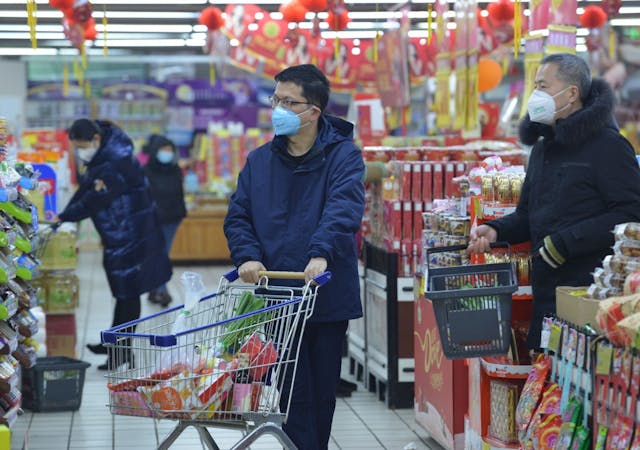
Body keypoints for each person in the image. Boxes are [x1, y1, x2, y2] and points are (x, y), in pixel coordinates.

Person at [223, 64, 365, 449]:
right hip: (278, 295)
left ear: (313, 111)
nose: (278, 108)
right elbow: (239, 215)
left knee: (321, 392)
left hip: (325, 291)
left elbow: (342, 209)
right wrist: (247, 256)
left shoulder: (344, 157)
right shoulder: (259, 161)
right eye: (276, 99)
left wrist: (321, 254)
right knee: (291, 391)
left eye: (288, 101)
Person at [468, 53, 640, 350]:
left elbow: (631, 211)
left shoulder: (608, 146)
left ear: (572, 93)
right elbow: (527, 214)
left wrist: (566, 242)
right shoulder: (543, 148)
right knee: (546, 375)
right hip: (545, 293)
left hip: (589, 296)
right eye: (535, 85)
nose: (535, 95)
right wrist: (495, 230)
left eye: (543, 86)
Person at [57, 119, 172, 370]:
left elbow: (94, 199)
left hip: (130, 234)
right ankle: (116, 346)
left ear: (96, 139)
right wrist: (64, 213)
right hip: (121, 233)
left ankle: (120, 349)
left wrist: (63, 217)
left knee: (128, 293)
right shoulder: (105, 156)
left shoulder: (114, 162)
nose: (80, 151)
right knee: (123, 293)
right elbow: (87, 189)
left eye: (82, 145)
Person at [142, 135, 187, 306]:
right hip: (152, 220)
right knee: (158, 254)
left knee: (161, 254)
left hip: (172, 218)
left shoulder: (175, 170)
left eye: (170, 150)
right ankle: (160, 290)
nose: (167, 153)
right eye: (163, 150)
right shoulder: (146, 171)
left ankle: (156, 289)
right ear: (155, 151)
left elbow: (179, 194)